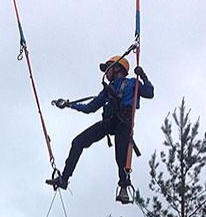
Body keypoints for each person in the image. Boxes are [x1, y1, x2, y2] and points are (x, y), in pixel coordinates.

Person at [47, 55, 154, 204]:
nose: (106, 73)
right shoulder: (108, 90)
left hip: (124, 122)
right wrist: (70, 105)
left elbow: (149, 93)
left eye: (108, 69)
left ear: (117, 68)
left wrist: (143, 75)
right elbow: (90, 107)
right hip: (110, 122)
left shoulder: (132, 83)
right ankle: (64, 179)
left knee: (121, 157)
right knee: (78, 142)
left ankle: (124, 188)